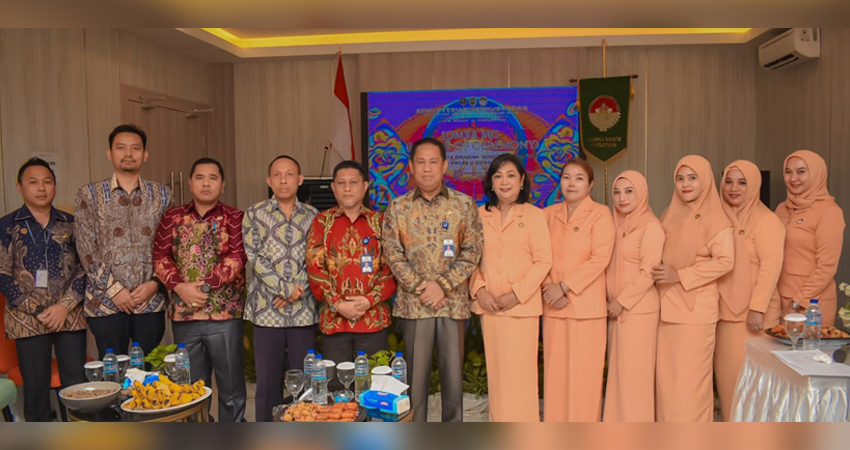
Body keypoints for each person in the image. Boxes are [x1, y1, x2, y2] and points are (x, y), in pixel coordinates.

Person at [382, 137, 483, 422]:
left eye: (433, 162)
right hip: (415, 305)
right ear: (411, 167)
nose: (427, 169)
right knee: (415, 381)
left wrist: (444, 285)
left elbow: (473, 250)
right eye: (421, 162)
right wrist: (421, 287)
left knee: (453, 380)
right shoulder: (398, 207)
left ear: (445, 166)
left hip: (451, 304)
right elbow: (392, 253)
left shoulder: (464, 205)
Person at [152, 157, 247, 422]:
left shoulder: (235, 217)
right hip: (184, 316)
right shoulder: (172, 217)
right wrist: (179, 287)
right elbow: (159, 256)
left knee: (231, 389)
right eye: (200, 178)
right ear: (191, 183)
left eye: (213, 178)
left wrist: (204, 287)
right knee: (190, 389)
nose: (206, 183)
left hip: (224, 317)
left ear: (223, 185)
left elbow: (237, 257)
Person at [0, 158, 87, 422]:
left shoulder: (72, 223)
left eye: (47, 182)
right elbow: (3, 275)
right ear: (19, 187)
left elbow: (85, 268)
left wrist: (64, 306)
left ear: (55, 186)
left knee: (76, 387)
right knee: (35, 388)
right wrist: (38, 310)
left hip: (69, 316)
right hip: (27, 320)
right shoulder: (7, 225)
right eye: (33, 182)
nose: (41, 188)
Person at [75, 124, 172, 358]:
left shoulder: (163, 194)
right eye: (121, 148)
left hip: (149, 300)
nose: (128, 154)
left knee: (149, 370)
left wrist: (155, 283)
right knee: (113, 371)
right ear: (110, 153)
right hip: (106, 302)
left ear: (145, 155)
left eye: (135, 148)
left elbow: (171, 245)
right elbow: (86, 249)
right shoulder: (89, 194)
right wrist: (114, 289)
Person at [469, 154, 551, 422]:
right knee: (498, 375)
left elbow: (543, 261)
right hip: (490, 306)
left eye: (511, 175)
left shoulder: (535, 215)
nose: (504, 181)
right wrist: (480, 290)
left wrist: (516, 293)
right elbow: (469, 259)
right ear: (490, 183)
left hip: (522, 309)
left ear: (522, 180)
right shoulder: (479, 215)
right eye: (498, 175)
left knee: (522, 376)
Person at [652, 155, 733, 422]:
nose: (685, 184)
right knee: (668, 384)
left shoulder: (716, 218)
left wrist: (681, 275)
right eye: (680, 178)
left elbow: (725, 262)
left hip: (696, 311)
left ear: (706, 180)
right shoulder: (670, 214)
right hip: (667, 309)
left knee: (691, 386)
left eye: (692, 177)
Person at [243, 155, 319, 422]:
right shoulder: (254, 213)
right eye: (277, 174)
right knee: (267, 382)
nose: (283, 180)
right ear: (269, 180)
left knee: (305, 380)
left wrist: (296, 290)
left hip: (303, 309)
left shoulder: (313, 216)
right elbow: (255, 257)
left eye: (289, 174)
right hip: (267, 308)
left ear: (300, 180)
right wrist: (284, 289)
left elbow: (316, 258)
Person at [306, 161, 397, 381]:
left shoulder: (380, 222)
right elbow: (315, 268)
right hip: (335, 321)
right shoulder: (321, 222)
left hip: (373, 319)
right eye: (341, 183)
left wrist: (369, 300)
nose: (347, 188)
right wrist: (338, 303)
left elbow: (392, 267)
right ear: (333, 187)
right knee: (338, 389)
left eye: (353, 183)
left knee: (376, 387)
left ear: (365, 186)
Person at [542, 158, 614, 422]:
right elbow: (539, 255)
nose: (572, 183)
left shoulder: (601, 214)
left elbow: (600, 258)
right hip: (553, 306)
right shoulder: (547, 214)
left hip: (586, 308)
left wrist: (564, 287)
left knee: (585, 376)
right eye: (567, 177)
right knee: (555, 375)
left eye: (579, 178)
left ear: (591, 184)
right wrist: (549, 287)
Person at [714, 160, 785, 421]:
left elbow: (771, 267)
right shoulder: (718, 216)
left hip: (754, 318)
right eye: (729, 181)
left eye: (742, 182)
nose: (734, 188)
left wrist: (757, 309)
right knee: (728, 383)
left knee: (753, 388)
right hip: (724, 314)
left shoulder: (766, 220)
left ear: (754, 186)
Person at [603, 170, 664, 422]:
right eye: (617, 192)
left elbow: (648, 272)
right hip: (614, 310)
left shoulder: (651, 227)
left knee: (634, 377)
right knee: (618, 376)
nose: (622, 198)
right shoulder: (614, 225)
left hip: (638, 311)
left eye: (629, 192)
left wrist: (621, 302)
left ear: (641, 194)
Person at [768, 150, 845, 328]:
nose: (793, 178)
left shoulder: (829, 211)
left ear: (816, 174)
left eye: (801, 172)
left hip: (810, 305)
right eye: (788, 172)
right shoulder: (781, 208)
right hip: (778, 299)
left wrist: (796, 303)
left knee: (804, 355)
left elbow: (827, 267)